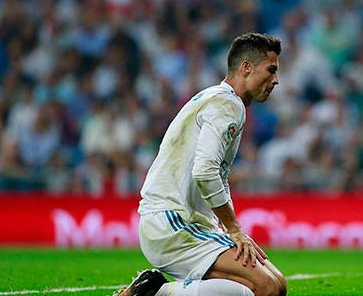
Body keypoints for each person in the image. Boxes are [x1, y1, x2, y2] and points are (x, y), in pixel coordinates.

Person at [118, 33, 286, 296]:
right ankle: (153, 293)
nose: (276, 80)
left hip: (184, 222)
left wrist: (229, 228)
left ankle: (155, 290)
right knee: (266, 287)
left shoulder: (217, 97)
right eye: (271, 70)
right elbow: (205, 172)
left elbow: (218, 173)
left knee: (277, 284)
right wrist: (234, 228)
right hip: (173, 222)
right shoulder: (228, 104)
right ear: (246, 67)